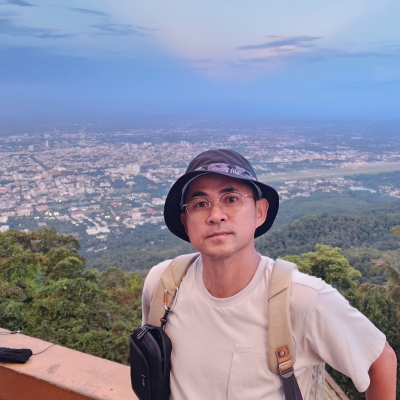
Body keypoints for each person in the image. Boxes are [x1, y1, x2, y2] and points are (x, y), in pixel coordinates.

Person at [142, 149, 397, 400]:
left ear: (260, 212)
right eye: (200, 204)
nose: (216, 215)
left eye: (231, 199)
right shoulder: (165, 284)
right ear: (185, 222)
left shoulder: (301, 299)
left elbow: (380, 361)